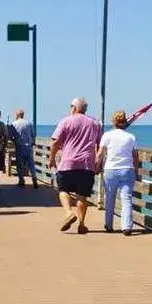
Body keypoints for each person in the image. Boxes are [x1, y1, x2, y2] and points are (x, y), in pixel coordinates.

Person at [48, 97, 102, 234]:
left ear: (75, 107)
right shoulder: (95, 123)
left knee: (63, 190)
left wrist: (52, 158)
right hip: (87, 164)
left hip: (68, 163)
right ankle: (81, 224)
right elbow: (100, 145)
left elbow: (55, 142)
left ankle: (68, 213)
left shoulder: (66, 121)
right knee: (82, 196)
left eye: (71, 106)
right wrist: (98, 163)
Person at [96, 110, 139, 235]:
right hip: (127, 169)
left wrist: (97, 167)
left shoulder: (107, 135)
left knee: (109, 198)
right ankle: (126, 226)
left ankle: (109, 225)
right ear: (125, 121)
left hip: (110, 169)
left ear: (113, 122)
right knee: (126, 199)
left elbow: (100, 154)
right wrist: (136, 171)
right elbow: (135, 156)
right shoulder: (131, 137)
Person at [11, 109, 38, 188]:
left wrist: (14, 140)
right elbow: (33, 134)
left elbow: (10, 136)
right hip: (29, 147)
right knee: (31, 164)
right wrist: (32, 141)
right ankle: (34, 178)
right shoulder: (29, 123)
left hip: (19, 146)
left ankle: (21, 180)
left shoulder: (14, 124)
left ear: (17, 115)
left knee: (20, 164)